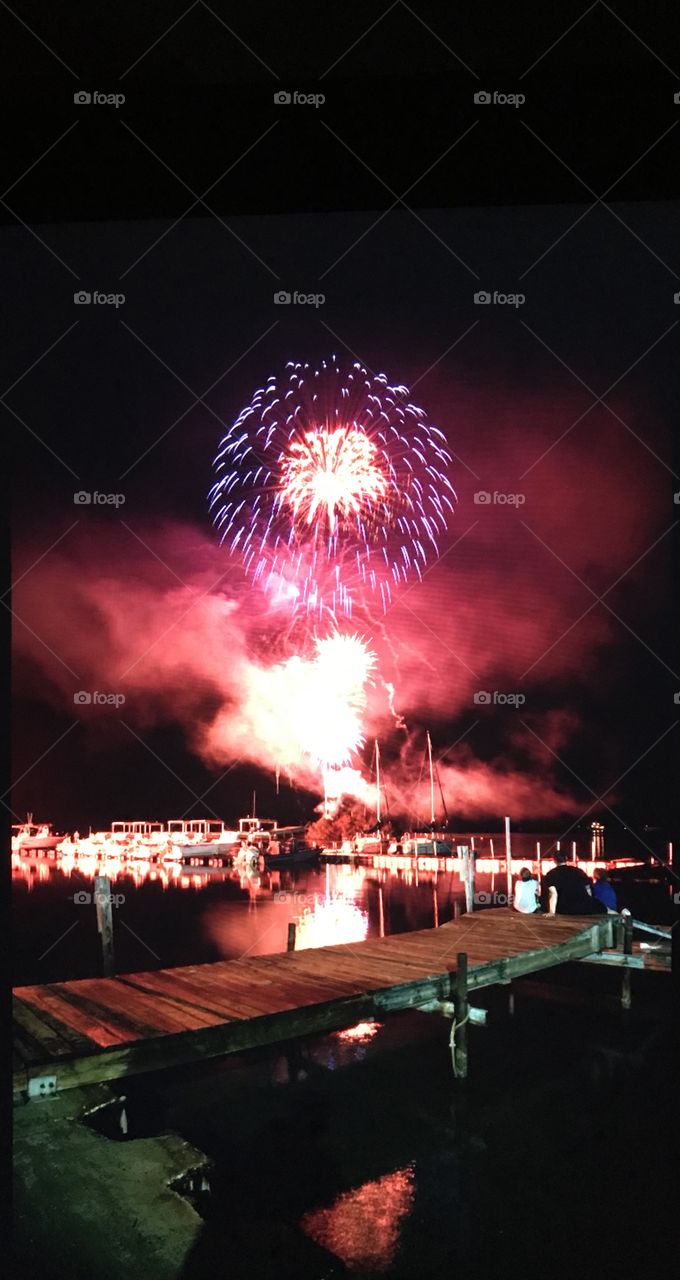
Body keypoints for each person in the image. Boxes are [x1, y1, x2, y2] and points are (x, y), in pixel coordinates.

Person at [541, 849, 607, 915]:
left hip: (565, 907)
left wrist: (552, 912)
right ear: (566, 858)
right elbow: (588, 886)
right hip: (583, 905)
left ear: (554, 860)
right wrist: (589, 900)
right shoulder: (578, 871)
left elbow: (553, 894)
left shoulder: (551, 874)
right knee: (605, 909)